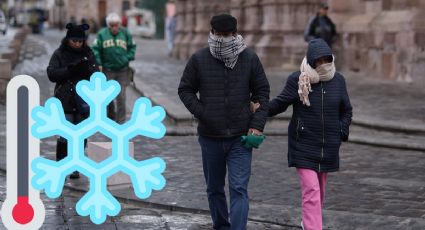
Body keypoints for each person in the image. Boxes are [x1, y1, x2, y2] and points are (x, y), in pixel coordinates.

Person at [178, 14, 270, 230]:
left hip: (241, 137)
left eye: (227, 35)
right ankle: (221, 225)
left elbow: (262, 92)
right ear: (212, 33)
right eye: (219, 35)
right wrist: (203, 112)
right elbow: (185, 89)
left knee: (239, 188)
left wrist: (257, 124)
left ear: (235, 34)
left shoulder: (249, 58)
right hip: (210, 137)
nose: (223, 40)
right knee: (214, 188)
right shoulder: (199, 59)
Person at [267, 38, 352, 230]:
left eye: (326, 60)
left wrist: (341, 131)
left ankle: (309, 222)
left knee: (319, 193)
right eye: (318, 61)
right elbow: (280, 104)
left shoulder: (338, 81)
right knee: (311, 190)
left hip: (328, 146)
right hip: (303, 144)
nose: (322, 65)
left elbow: (347, 110)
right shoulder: (298, 79)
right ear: (312, 60)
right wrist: (257, 111)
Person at [47, 23, 99, 179]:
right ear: (68, 39)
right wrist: (69, 70)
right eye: (74, 41)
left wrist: (86, 70)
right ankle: (61, 164)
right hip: (64, 99)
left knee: (81, 134)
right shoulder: (59, 53)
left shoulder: (88, 53)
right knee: (65, 134)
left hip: (83, 100)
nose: (77, 44)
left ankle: (76, 165)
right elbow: (51, 74)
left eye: (80, 41)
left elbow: (97, 75)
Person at [92, 12, 137, 123]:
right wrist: (99, 63)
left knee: (121, 96)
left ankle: (121, 121)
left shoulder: (125, 33)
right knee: (107, 97)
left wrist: (127, 58)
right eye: (112, 25)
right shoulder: (102, 34)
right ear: (108, 25)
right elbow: (95, 49)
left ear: (119, 24)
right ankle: (109, 117)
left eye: (116, 25)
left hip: (122, 70)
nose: (114, 27)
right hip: (107, 70)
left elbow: (132, 47)